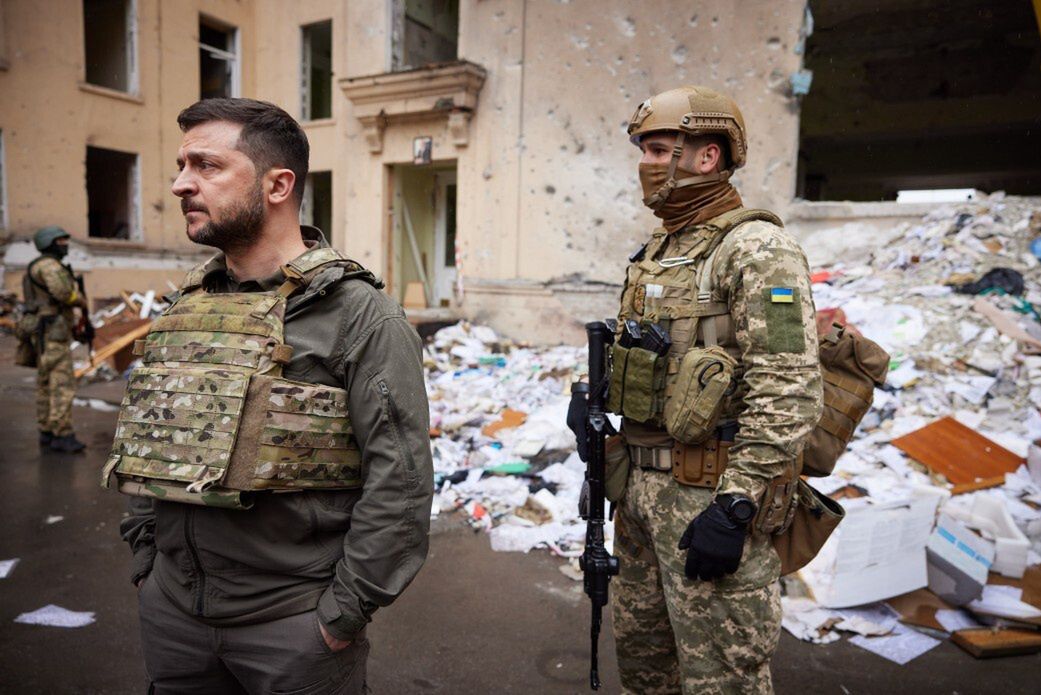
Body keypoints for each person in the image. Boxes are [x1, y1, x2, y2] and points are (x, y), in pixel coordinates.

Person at [112, 98, 434, 694]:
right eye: (181, 165)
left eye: (206, 166)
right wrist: (147, 563)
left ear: (278, 184)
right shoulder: (186, 307)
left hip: (292, 630)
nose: (181, 183)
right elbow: (146, 434)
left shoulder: (360, 316)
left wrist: (341, 615)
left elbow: (402, 482)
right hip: (174, 617)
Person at [597, 86, 823, 693]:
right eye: (643, 149)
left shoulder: (756, 248)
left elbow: (788, 386)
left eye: (661, 148)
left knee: (721, 679)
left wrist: (737, 503)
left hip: (710, 499)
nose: (647, 162)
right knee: (646, 670)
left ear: (708, 156)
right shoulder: (660, 251)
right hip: (640, 496)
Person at [23, 226, 88, 453]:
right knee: (61, 384)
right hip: (54, 334)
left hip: (43, 333)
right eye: (60, 241)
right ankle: (63, 434)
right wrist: (80, 300)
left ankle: (47, 431)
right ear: (49, 243)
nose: (65, 245)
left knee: (44, 384)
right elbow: (63, 292)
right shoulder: (50, 266)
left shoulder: (37, 265)